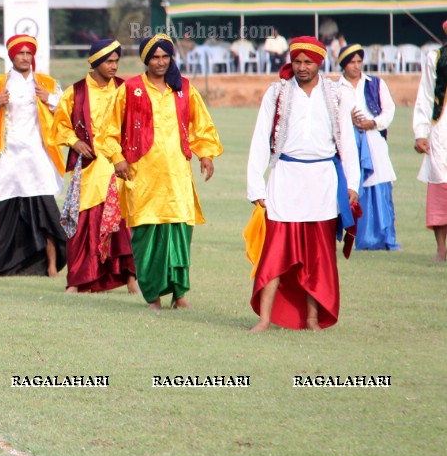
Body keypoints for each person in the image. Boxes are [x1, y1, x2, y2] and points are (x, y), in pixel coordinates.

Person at [247, 37, 360, 331]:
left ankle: (312, 319)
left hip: (323, 182)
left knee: (318, 255)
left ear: (319, 63)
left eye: (307, 62)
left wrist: (353, 184)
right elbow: (260, 138)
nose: (301, 67)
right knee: (275, 250)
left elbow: (347, 142)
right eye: (296, 61)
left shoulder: (336, 93)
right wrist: (256, 187)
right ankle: (264, 319)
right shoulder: (278, 92)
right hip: (285, 178)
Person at [102, 34, 223, 309]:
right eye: (155, 57)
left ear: (171, 58)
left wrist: (205, 154)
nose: (160, 62)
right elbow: (109, 130)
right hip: (142, 176)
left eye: (165, 57)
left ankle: (179, 295)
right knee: (147, 238)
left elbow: (201, 126)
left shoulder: (184, 89)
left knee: (180, 235)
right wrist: (117, 157)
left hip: (177, 177)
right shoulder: (130, 89)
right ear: (146, 60)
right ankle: (153, 296)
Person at [0, 34, 68, 277]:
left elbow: (70, 110)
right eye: (20, 53)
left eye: (28, 53)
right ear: (12, 56)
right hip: (8, 158)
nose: (24, 57)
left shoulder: (46, 83)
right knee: (2, 214)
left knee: (46, 213)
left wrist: (51, 100)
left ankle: (52, 267)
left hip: (38, 157)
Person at [53, 38, 137, 294]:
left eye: (116, 61)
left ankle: (131, 280)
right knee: (84, 223)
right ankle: (78, 280)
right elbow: (58, 125)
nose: (114, 66)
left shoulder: (124, 88)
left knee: (122, 223)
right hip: (89, 167)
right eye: (109, 61)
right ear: (95, 63)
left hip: (119, 165)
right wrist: (74, 141)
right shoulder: (75, 92)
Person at [337, 44, 400, 251]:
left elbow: (389, 111)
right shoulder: (336, 89)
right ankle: (361, 239)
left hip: (374, 141)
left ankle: (385, 237)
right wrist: (349, 119)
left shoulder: (375, 84)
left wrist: (372, 123)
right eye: (352, 63)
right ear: (343, 66)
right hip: (350, 143)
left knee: (380, 187)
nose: (356, 66)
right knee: (356, 188)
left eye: (358, 62)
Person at [414, 24, 447, 261]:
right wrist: (420, 132)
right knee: (439, 186)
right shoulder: (435, 58)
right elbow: (425, 96)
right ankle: (441, 249)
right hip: (441, 129)